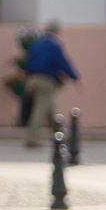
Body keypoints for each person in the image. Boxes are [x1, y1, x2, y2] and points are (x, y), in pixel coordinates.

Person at [21, 20, 82, 149]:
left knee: (50, 109)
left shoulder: (36, 44)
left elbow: (28, 61)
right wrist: (75, 78)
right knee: (41, 108)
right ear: (57, 31)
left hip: (34, 78)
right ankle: (32, 138)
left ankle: (60, 134)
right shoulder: (54, 45)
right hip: (46, 79)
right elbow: (62, 62)